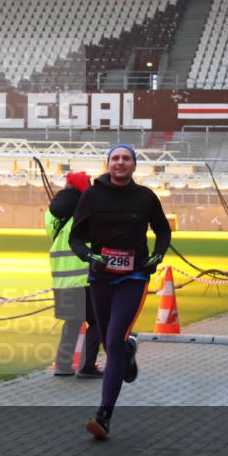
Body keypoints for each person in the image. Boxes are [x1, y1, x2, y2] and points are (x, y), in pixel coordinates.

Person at [69, 144, 171, 439]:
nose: (120, 163)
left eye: (126, 158)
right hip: (101, 278)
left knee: (112, 340)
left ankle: (104, 416)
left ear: (134, 165)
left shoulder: (145, 197)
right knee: (109, 340)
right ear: (108, 164)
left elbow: (163, 230)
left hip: (134, 276)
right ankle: (128, 350)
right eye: (116, 158)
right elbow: (76, 237)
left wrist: (158, 255)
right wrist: (89, 257)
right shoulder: (91, 196)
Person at [45, 171, 102, 378]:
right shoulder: (87, 210)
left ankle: (63, 365)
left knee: (72, 322)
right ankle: (87, 366)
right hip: (84, 277)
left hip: (61, 278)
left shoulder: (51, 213)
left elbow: (51, 234)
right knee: (97, 321)